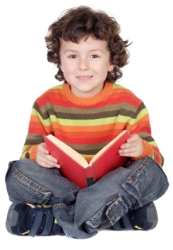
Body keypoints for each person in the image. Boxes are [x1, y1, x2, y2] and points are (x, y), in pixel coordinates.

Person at [5, 6, 169, 239]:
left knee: (151, 174)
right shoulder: (45, 104)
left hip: (110, 185)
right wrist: (37, 154)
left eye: (94, 55)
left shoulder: (130, 104)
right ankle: (114, 214)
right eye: (72, 56)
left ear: (111, 61)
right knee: (17, 173)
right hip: (62, 186)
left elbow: (156, 160)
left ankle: (55, 219)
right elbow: (27, 156)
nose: (83, 65)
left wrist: (140, 149)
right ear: (59, 61)